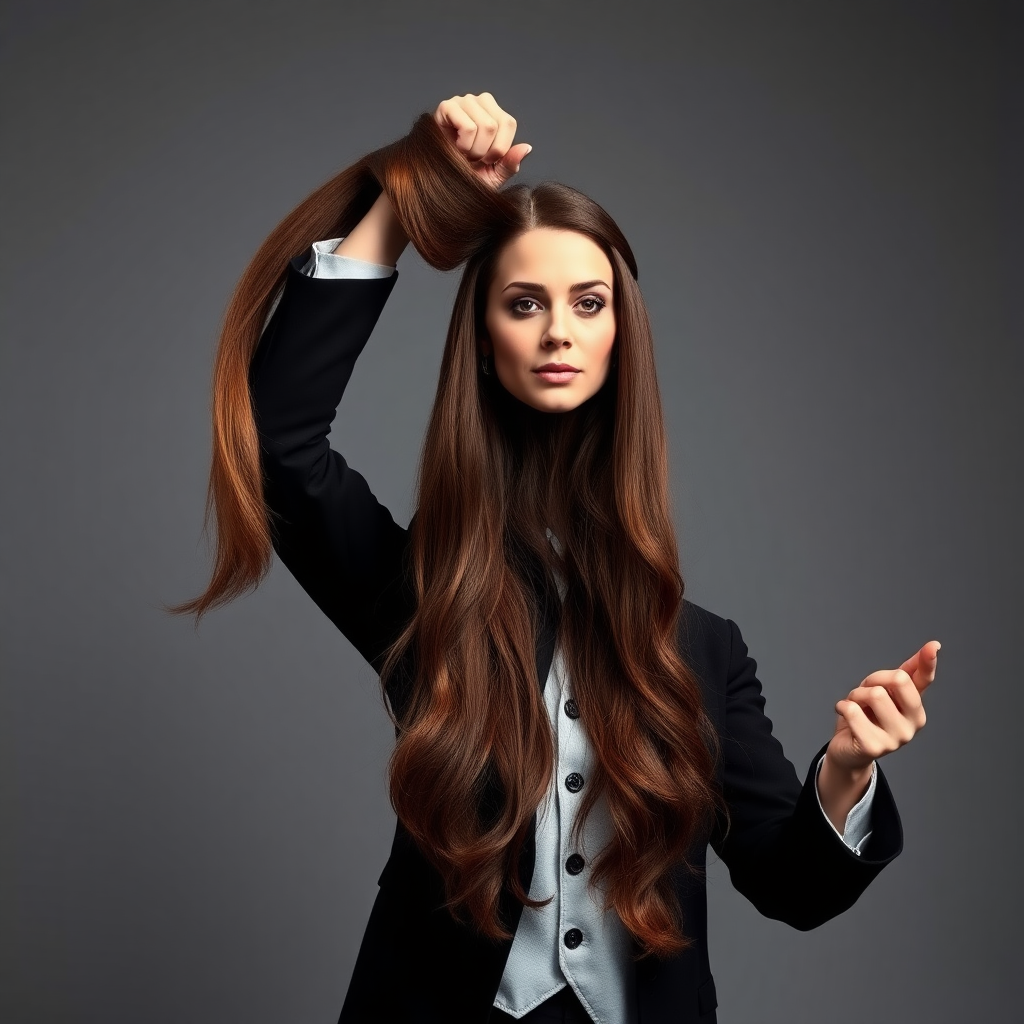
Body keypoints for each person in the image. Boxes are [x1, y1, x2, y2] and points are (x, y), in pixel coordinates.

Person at [172, 92, 940, 1024]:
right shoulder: (426, 594)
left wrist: (847, 772)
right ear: (483, 338)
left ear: (622, 334)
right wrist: (407, 200)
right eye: (524, 303)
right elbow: (279, 448)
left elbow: (794, 887)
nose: (558, 332)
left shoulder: (707, 652)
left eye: (588, 302)